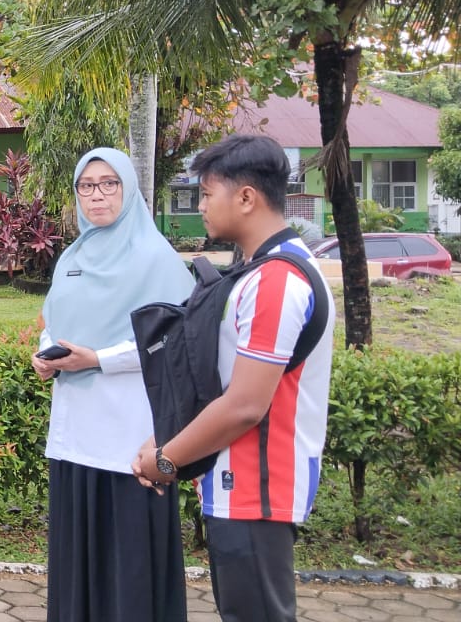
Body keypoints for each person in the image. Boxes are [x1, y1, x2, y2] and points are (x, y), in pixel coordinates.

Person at [133, 135, 334, 622]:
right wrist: (166, 440)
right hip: (238, 487)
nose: (201, 205)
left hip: (257, 490)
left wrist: (167, 459)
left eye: (206, 193)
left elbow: (245, 404)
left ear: (246, 197)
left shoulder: (277, 281)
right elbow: (219, 385)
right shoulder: (258, 272)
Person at [33, 148, 194, 622]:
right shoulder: (73, 256)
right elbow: (54, 320)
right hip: (75, 430)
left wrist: (98, 359)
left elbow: (173, 341)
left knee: (128, 558)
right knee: (78, 552)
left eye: (109, 183)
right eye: (86, 186)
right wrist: (46, 354)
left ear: (128, 189)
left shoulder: (155, 258)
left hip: (129, 438)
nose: (96, 195)